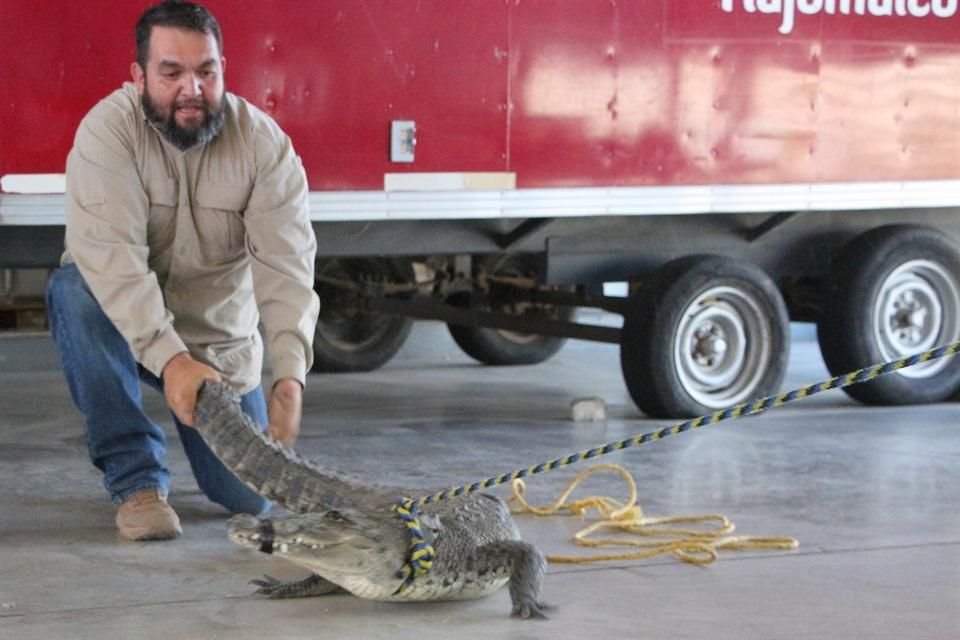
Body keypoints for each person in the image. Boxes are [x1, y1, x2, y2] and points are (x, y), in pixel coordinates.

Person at [45, 0, 320, 542]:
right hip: (126, 326)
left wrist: (290, 373)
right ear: (140, 75)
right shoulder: (108, 134)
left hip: (215, 347)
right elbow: (115, 265)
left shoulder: (264, 146)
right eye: (171, 73)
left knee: (248, 497)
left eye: (206, 71)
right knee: (75, 291)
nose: (191, 89)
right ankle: (137, 482)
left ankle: (215, 449)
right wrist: (169, 360)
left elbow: (286, 266)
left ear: (223, 69)